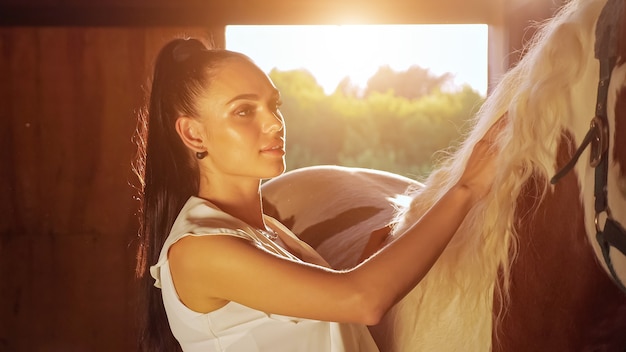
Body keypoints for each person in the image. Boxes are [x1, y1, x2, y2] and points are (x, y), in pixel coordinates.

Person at [134, 37, 501, 352]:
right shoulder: (199, 250)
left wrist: (375, 260)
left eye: (273, 105)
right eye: (244, 111)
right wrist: (465, 189)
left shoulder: (273, 233)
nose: (274, 123)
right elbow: (362, 300)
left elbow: (337, 323)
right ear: (194, 135)